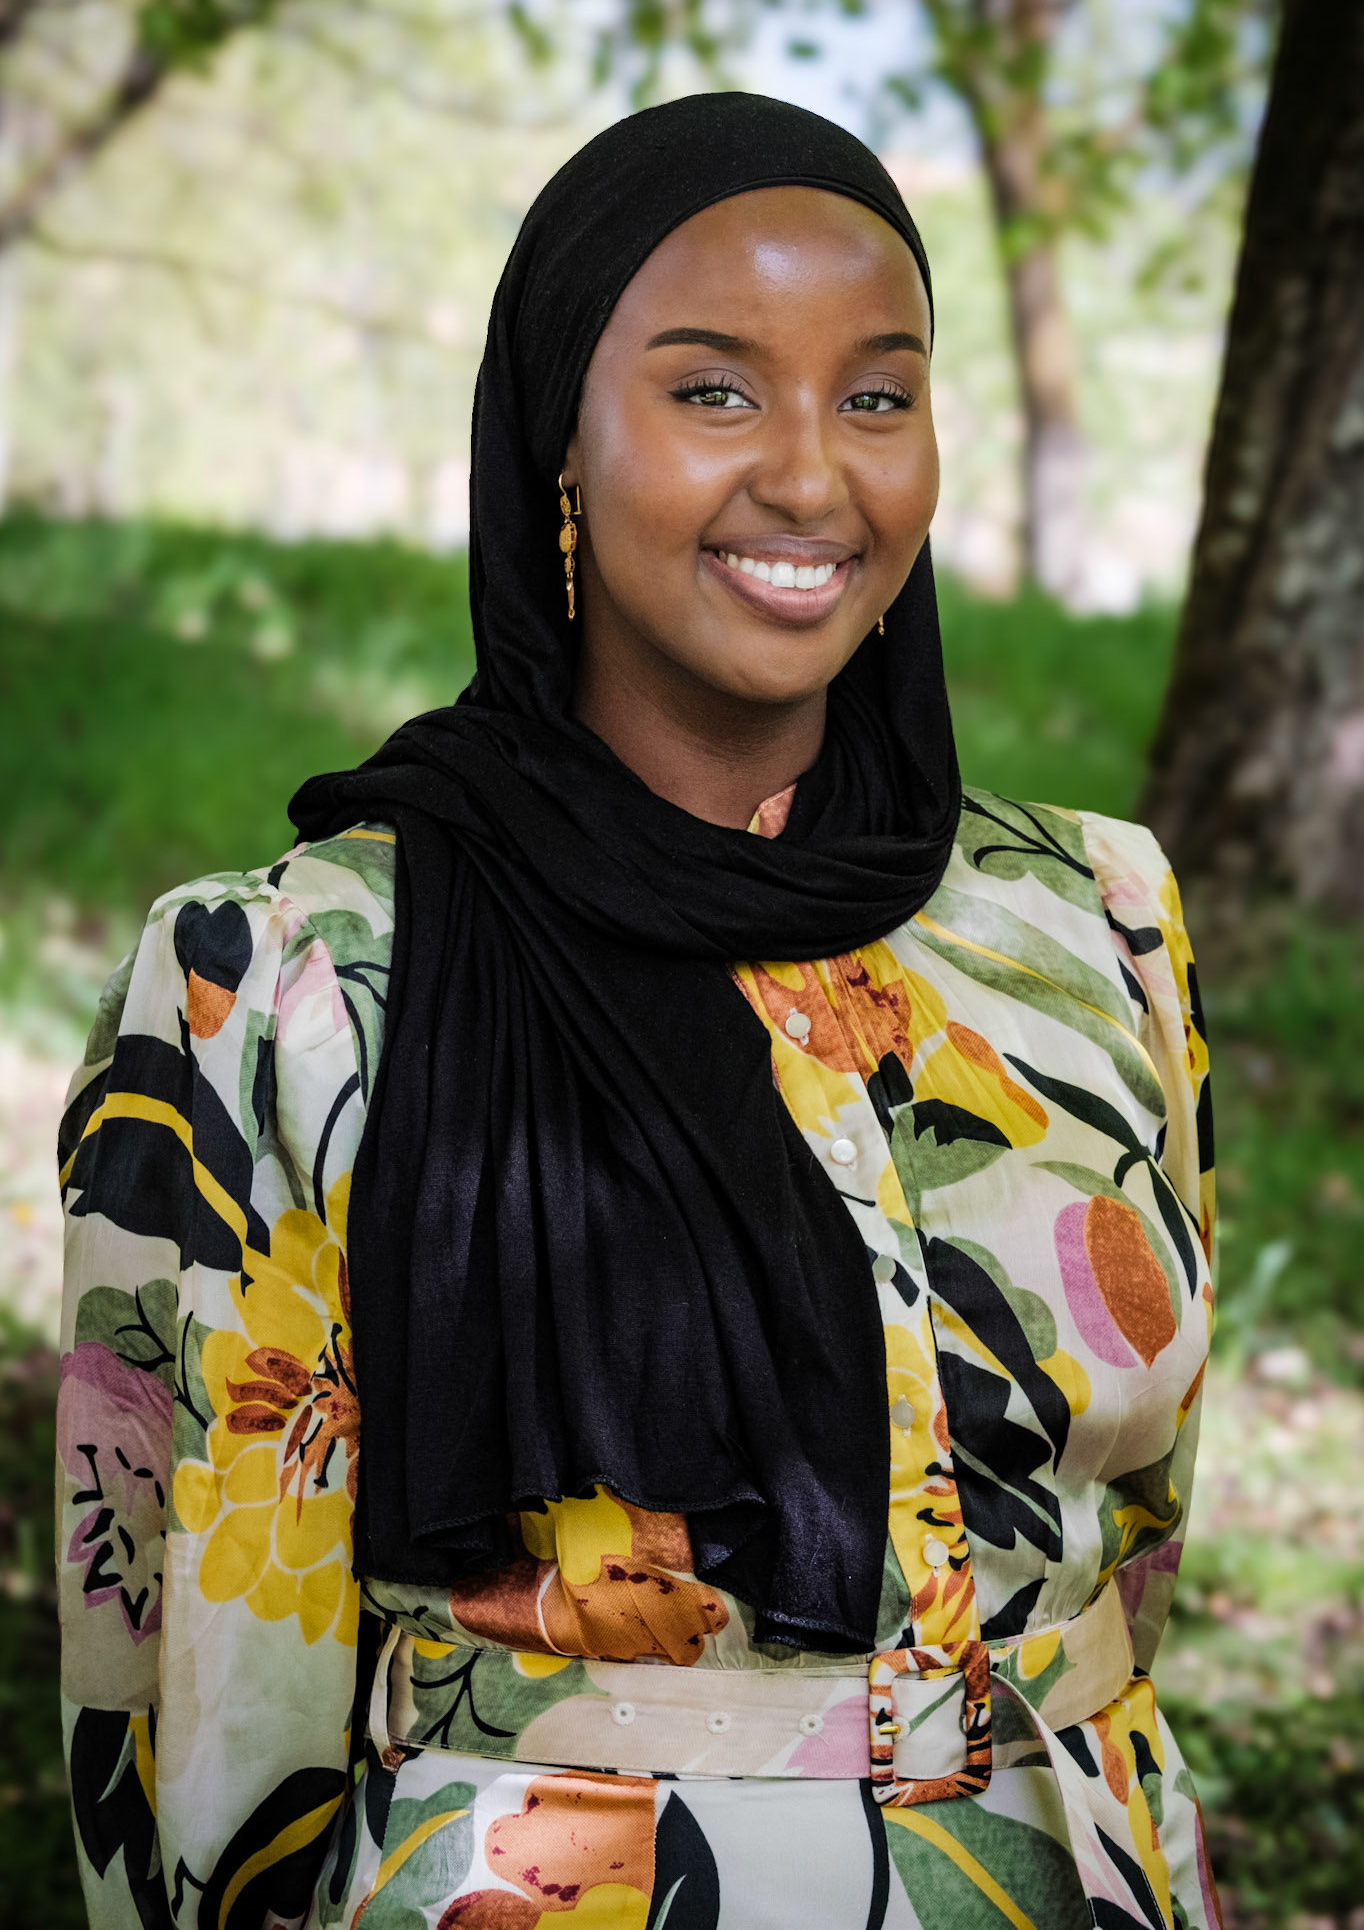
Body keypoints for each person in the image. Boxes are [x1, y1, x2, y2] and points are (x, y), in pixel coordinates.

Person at [56, 93, 1218, 1930]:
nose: (813, 478)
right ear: (562, 442)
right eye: (714, 390)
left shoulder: (1095, 922)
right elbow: (191, 1693)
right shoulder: (293, 976)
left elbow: (1132, 1555)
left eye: (879, 394)